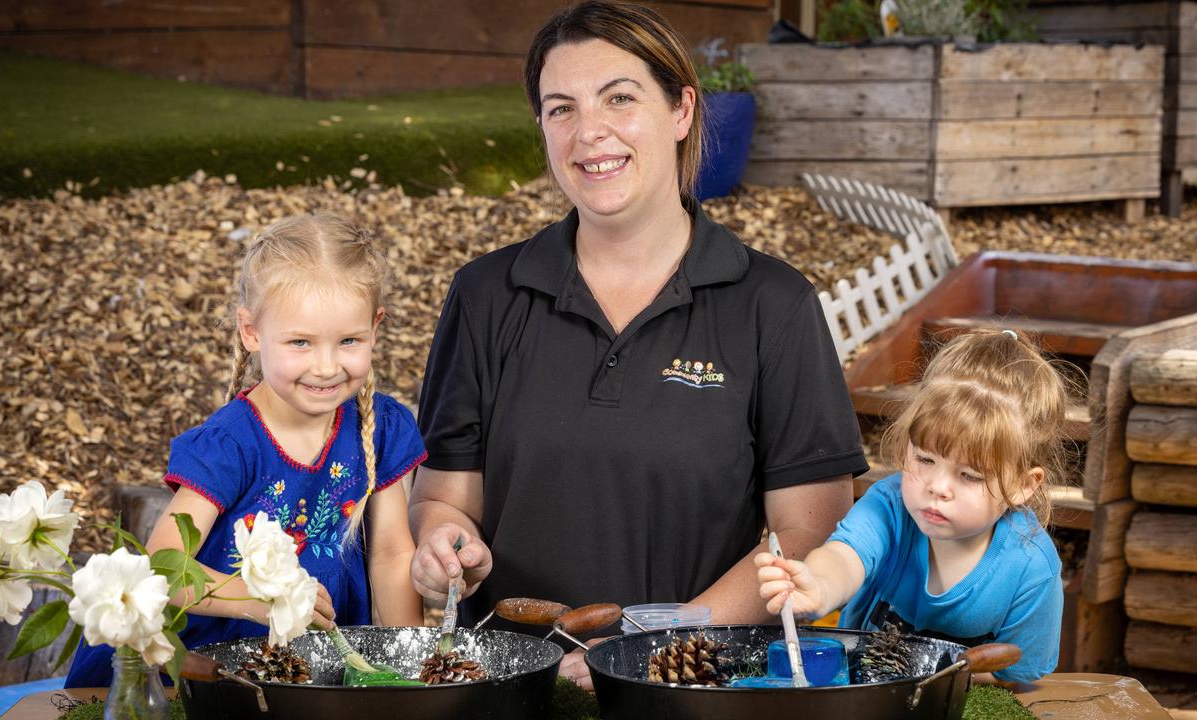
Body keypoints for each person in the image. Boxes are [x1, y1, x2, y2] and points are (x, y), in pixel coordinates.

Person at [409, 0, 868, 689]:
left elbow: (807, 534)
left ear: (681, 110)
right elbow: (443, 499)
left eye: (619, 98)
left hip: (697, 681)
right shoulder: (485, 294)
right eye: (560, 108)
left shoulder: (773, 304)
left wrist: (662, 644)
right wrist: (443, 544)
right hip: (508, 683)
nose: (589, 132)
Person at [65, 214, 425, 687]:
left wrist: (409, 668)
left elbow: (392, 554)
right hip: (202, 670)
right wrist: (256, 600)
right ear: (251, 331)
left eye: (348, 341)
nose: (325, 366)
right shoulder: (231, 444)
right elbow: (163, 567)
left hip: (313, 666)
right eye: (300, 342)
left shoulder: (379, 427)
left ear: (375, 328)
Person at [756, 329, 1069, 684]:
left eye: (969, 476)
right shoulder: (889, 507)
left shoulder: (1032, 569)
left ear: (1024, 485)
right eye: (925, 459)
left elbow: (1016, 675)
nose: (937, 487)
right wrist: (820, 585)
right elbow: (845, 557)